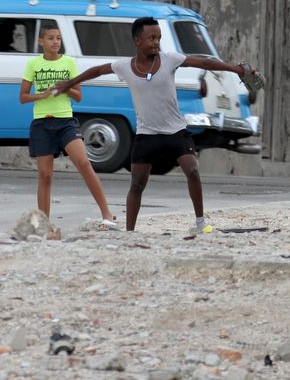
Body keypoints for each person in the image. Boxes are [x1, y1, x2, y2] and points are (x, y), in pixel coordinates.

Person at [52, 16, 260, 233]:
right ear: (137, 41)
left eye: (159, 37)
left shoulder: (170, 59)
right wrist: (70, 83)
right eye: (151, 37)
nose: (156, 42)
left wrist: (234, 69)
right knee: (137, 182)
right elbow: (97, 71)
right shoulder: (124, 66)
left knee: (192, 170)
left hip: (175, 131)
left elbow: (204, 63)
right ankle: (129, 232)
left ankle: (200, 223)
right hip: (147, 134)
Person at [19, 22, 115, 227]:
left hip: (66, 122)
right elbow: (23, 97)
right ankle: (43, 223)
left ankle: (107, 213)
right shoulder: (33, 64)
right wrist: (43, 94)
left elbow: (78, 96)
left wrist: (66, 88)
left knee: (84, 164)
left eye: (58, 38)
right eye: (51, 38)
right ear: (41, 41)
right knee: (45, 176)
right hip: (42, 123)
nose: (55, 42)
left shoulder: (69, 63)